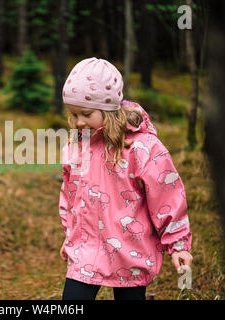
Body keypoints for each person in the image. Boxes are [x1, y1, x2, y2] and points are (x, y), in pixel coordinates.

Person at [58, 57, 193, 300]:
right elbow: (70, 194)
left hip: (130, 251)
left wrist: (178, 245)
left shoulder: (141, 148)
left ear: (108, 109)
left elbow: (167, 197)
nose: (78, 122)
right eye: (73, 114)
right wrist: (71, 234)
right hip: (84, 251)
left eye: (86, 114)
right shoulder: (77, 147)